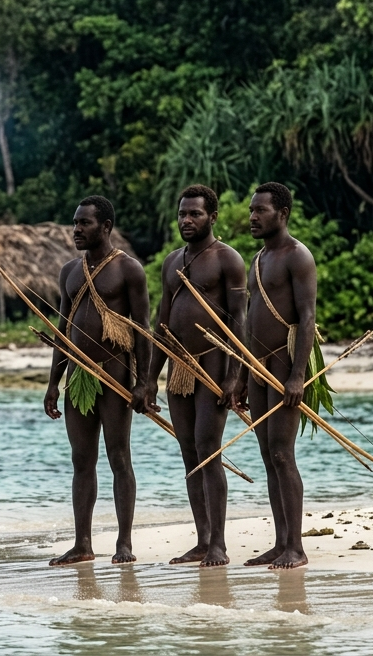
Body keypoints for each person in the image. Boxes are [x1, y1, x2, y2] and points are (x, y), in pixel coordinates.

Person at [43, 195, 155, 566]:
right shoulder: (68, 272)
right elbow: (62, 329)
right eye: (75, 223)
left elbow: (142, 330)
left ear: (105, 227)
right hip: (78, 376)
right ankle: (83, 543)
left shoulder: (129, 270)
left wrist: (143, 383)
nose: (76, 229)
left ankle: (124, 543)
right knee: (81, 460)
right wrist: (52, 382)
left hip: (116, 372)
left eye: (85, 223)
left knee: (119, 456)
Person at [141, 185, 247, 567]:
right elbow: (162, 322)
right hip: (179, 366)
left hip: (214, 363)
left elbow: (239, 321)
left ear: (212, 217)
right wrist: (149, 377)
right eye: (183, 214)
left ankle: (218, 543)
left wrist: (237, 376)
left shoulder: (228, 260)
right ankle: (202, 540)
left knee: (209, 451)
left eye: (195, 214)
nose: (186, 220)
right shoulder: (172, 262)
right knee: (189, 454)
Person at [240, 182, 318, 570]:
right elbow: (248, 321)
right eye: (252, 210)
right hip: (255, 367)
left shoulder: (297, 256)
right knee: (267, 456)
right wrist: (240, 376)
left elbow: (306, 318)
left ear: (282, 214)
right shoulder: (256, 260)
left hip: (284, 366)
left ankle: (297, 548)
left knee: (283, 454)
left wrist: (298, 375)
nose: (252, 216)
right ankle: (280, 542)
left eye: (261, 210)